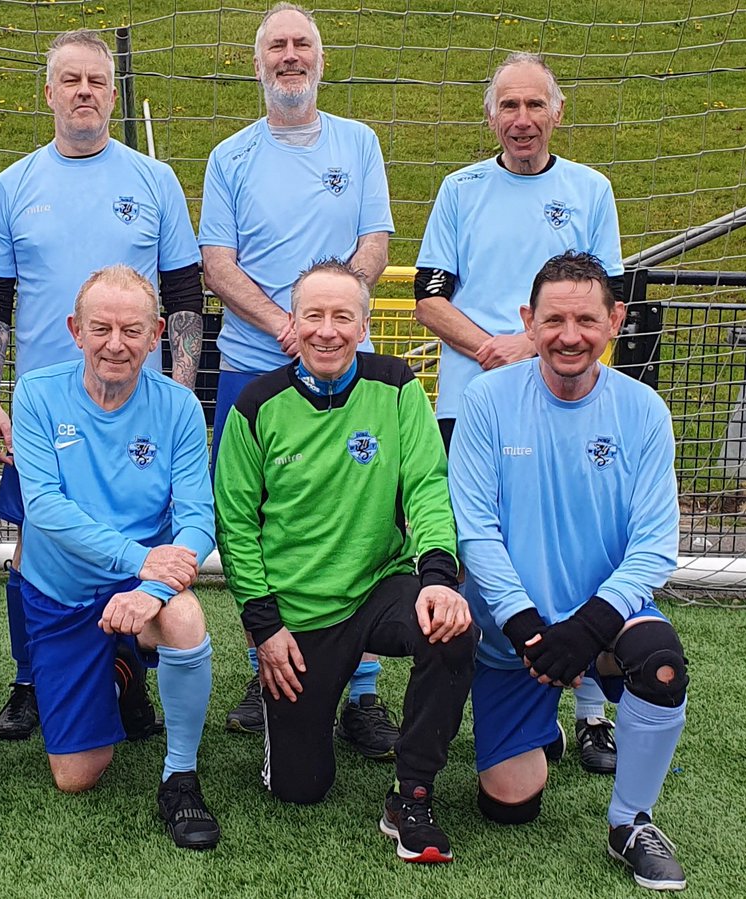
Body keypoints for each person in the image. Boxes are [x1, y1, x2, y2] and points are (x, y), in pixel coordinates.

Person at [0, 29, 204, 742]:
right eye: (68, 80)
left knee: (145, 532)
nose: (82, 92)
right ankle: (31, 677)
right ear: (47, 93)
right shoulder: (14, 184)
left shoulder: (152, 179)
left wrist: (183, 384)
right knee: (32, 540)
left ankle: (126, 670)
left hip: (134, 401)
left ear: (112, 92)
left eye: (95, 82)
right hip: (48, 411)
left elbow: (186, 290)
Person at [214, 259, 475, 863]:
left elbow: (429, 487)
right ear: (293, 324)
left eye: (342, 317)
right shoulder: (256, 405)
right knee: (299, 790)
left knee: (452, 630)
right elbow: (235, 527)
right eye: (313, 316)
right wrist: (265, 629)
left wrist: (437, 578)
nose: (326, 331)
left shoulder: (397, 385)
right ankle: (309, 721)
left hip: (381, 585)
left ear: (363, 327)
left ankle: (412, 792)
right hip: (300, 614)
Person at [448, 252, 688, 891]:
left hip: (603, 624)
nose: (570, 335)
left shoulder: (643, 412)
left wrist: (588, 628)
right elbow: (476, 529)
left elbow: (655, 545)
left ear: (615, 320)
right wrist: (527, 625)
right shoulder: (487, 399)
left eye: (586, 319)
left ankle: (629, 822)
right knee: (509, 808)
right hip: (515, 635)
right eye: (553, 319)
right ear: (529, 322)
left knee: (660, 663)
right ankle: (545, 719)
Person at [414, 52, 626, 773]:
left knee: (582, 546)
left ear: (557, 113)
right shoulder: (459, 188)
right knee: (478, 549)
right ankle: (497, 708)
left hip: (566, 401)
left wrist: (538, 343)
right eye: (509, 106)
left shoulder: (591, 189)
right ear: (491, 115)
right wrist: (493, 348)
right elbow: (429, 295)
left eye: (536, 105)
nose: (523, 119)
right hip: (469, 401)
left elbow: (603, 299)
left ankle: (593, 711)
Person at [198, 2, 398, 749]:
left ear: (320, 59)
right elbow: (218, 263)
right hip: (256, 368)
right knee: (256, 521)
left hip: (347, 370)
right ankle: (265, 660)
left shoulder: (360, 142)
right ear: (258, 63)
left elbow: (375, 242)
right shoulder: (231, 156)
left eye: (302, 44)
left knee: (368, 517)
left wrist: (329, 319)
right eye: (276, 45)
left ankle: (365, 688)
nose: (290, 55)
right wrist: (286, 327)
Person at [11, 265, 219, 850]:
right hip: (62, 595)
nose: (116, 344)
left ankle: (180, 775)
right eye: (101, 328)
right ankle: (122, 672)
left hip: (137, 587)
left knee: (184, 618)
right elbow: (44, 508)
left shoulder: (177, 405)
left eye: (133, 331)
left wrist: (149, 589)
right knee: (75, 777)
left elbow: (198, 519)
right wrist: (140, 559)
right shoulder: (36, 393)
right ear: (76, 331)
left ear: (157, 336)